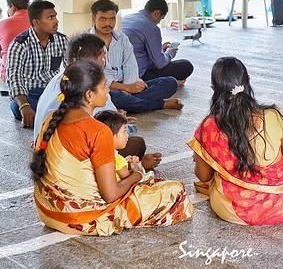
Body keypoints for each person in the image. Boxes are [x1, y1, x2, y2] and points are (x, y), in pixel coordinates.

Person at [31, 60, 193, 235]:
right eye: (103, 87)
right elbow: (110, 194)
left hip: (48, 210)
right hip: (83, 218)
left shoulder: (51, 118)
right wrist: (137, 174)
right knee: (176, 191)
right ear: (89, 95)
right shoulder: (98, 131)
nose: (108, 90)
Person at [188, 57, 283, 225]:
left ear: (213, 89)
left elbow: (203, 176)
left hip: (232, 209)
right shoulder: (272, 115)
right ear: (248, 82)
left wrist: (202, 156)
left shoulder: (207, 128)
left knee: (220, 176)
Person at [33, 33, 161, 170]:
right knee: (135, 142)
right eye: (103, 56)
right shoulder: (90, 89)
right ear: (89, 95)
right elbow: (111, 190)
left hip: (46, 152)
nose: (107, 90)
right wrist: (137, 169)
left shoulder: (60, 79)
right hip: (72, 166)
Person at [90, 0, 182, 113]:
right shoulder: (87, 41)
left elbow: (131, 65)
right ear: (94, 18)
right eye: (103, 19)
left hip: (127, 86)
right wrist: (125, 88)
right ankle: (161, 104)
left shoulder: (122, 38)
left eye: (112, 19)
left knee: (170, 82)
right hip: (105, 90)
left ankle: (127, 104)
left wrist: (131, 87)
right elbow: (93, 77)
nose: (108, 24)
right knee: (112, 97)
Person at [6, 0, 67, 128]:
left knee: (116, 98)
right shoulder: (20, 44)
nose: (56, 21)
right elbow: (13, 78)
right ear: (36, 22)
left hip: (53, 92)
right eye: (50, 17)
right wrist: (24, 106)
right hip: (29, 95)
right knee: (19, 108)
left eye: (55, 16)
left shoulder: (62, 40)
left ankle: (53, 116)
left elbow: (73, 68)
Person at [122, 0, 194, 84]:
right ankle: (163, 83)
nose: (159, 22)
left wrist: (159, 49)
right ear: (156, 13)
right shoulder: (151, 27)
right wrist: (170, 53)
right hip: (139, 75)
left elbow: (138, 51)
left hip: (120, 74)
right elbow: (160, 63)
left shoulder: (126, 18)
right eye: (161, 18)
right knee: (186, 66)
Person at [95, 110, 146, 181]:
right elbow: (134, 181)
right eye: (124, 131)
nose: (127, 135)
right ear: (110, 136)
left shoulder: (99, 153)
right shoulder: (116, 159)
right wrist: (137, 167)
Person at [0, 0, 30, 82]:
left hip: (12, 76)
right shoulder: (38, 21)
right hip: (37, 76)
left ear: (12, 7)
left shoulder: (3, 24)